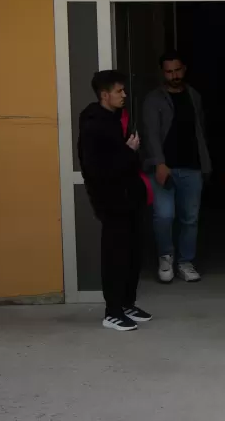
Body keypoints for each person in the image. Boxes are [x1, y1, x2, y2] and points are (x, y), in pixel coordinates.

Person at [78, 70, 153, 332]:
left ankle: (127, 303)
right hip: (111, 202)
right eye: (119, 91)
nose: (124, 95)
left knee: (133, 253)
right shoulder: (93, 124)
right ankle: (112, 311)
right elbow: (97, 168)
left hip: (130, 198)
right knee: (115, 256)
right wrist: (128, 152)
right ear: (104, 95)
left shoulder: (119, 117)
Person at [141, 51, 211, 285]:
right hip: (163, 168)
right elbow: (150, 134)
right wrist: (159, 163)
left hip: (191, 166)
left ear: (184, 69)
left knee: (190, 218)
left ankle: (185, 262)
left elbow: (200, 131)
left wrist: (205, 163)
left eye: (177, 70)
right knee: (164, 216)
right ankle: (165, 257)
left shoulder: (194, 96)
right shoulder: (153, 99)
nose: (174, 76)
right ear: (163, 73)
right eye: (169, 72)